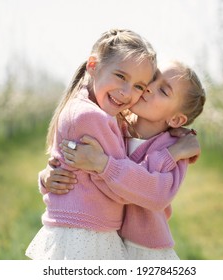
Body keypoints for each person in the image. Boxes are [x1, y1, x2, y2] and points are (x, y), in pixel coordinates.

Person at [40, 60, 206, 259]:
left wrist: (104, 164)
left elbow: (157, 194)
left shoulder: (175, 148)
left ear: (176, 120)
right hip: (101, 236)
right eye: (152, 79)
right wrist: (48, 176)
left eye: (163, 91)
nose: (149, 88)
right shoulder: (113, 124)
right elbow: (79, 165)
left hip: (143, 248)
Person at [25, 28, 157, 260]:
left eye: (139, 86)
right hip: (87, 236)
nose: (127, 92)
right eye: (121, 76)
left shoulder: (87, 107)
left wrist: (46, 178)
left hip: (80, 228)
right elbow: (121, 190)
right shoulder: (92, 117)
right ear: (93, 66)